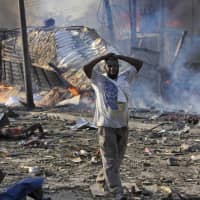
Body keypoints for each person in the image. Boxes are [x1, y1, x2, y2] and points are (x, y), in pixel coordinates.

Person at [83, 52, 143, 200]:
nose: (112, 68)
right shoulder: (99, 80)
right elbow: (86, 67)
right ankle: (117, 191)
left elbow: (139, 64)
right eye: (109, 66)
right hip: (106, 124)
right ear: (105, 67)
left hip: (123, 124)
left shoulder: (124, 78)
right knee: (110, 159)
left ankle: (102, 180)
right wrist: (102, 56)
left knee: (117, 159)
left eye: (115, 66)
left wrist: (120, 56)